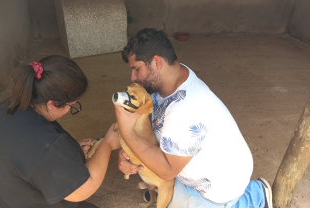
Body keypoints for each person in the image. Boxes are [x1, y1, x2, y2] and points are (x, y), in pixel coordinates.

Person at [115, 28, 273, 208]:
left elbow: (167, 170)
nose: (133, 77)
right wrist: (129, 152)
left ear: (157, 62)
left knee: (164, 182)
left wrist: (127, 134)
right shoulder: (175, 77)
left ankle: (252, 197)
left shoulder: (185, 110)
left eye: (137, 69)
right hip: (201, 166)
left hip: (220, 188)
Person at [0, 55, 120, 208]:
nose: (70, 109)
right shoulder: (44, 144)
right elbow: (82, 190)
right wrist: (107, 144)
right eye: (72, 106)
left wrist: (66, 152)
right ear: (52, 104)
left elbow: (29, 154)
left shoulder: (6, 107)